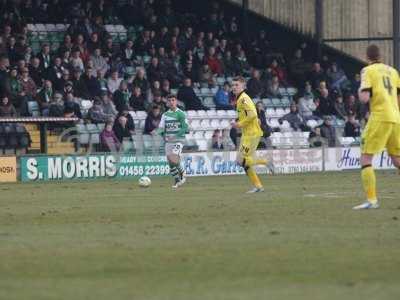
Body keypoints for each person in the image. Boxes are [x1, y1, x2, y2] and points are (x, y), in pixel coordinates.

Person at [353, 45, 400, 210]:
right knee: (397, 160)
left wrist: (360, 88)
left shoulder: (367, 71)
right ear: (380, 55)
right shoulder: (393, 71)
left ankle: (372, 201)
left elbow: (364, 98)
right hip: (396, 117)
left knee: (366, 159)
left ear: (367, 56)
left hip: (380, 116)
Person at [230, 76, 274, 193]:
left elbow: (253, 114)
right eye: (233, 85)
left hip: (251, 134)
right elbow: (250, 115)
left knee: (240, 161)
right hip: (249, 133)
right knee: (244, 162)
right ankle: (258, 186)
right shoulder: (240, 99)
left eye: (236, 85)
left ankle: (266, 162)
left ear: (243, 86)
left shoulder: (243, 99)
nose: (234, 87)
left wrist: (238, 124)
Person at [157, 94, 188, 189]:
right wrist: (163, 136)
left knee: (174, 156)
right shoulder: (165, 115)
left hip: (179, 140)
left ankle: (182, 172)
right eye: (169, 100)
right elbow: (161, 129)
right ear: (167, 103)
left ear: (176, 101)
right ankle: (176, 179)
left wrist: (175, 135)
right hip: (169, 141)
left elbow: (185, 128)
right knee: (170, 163)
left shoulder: (181, 113)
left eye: (173, 100)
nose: (171, 102)